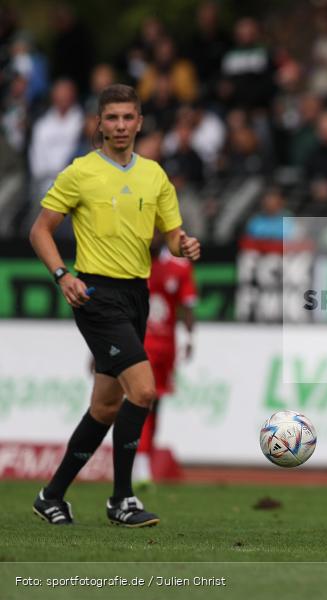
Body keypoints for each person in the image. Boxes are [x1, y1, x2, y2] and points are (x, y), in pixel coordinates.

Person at [28, 84, 201, 527]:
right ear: (99, 124)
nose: (121, 126)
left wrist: (186, 246)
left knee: (105, 406)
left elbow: (171, 238)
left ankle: (51, 495)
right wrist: (62, 274)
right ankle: (121, 500)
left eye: (128, 118)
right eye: (112, 118)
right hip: (96, 294)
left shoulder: (155, 176)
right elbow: (40, 231)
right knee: (142, 391)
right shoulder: (80, 172)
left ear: (139, 122)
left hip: (135, 295)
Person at [133, 233, 197, 486]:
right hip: (135, 344)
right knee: (138, 402)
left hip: (164, 349)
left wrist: (190, 338)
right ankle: (137, 462)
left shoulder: (179, 267)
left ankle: (143, 458)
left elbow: (187, 305)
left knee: (154, 403)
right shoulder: (128, 263)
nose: (152, 236)